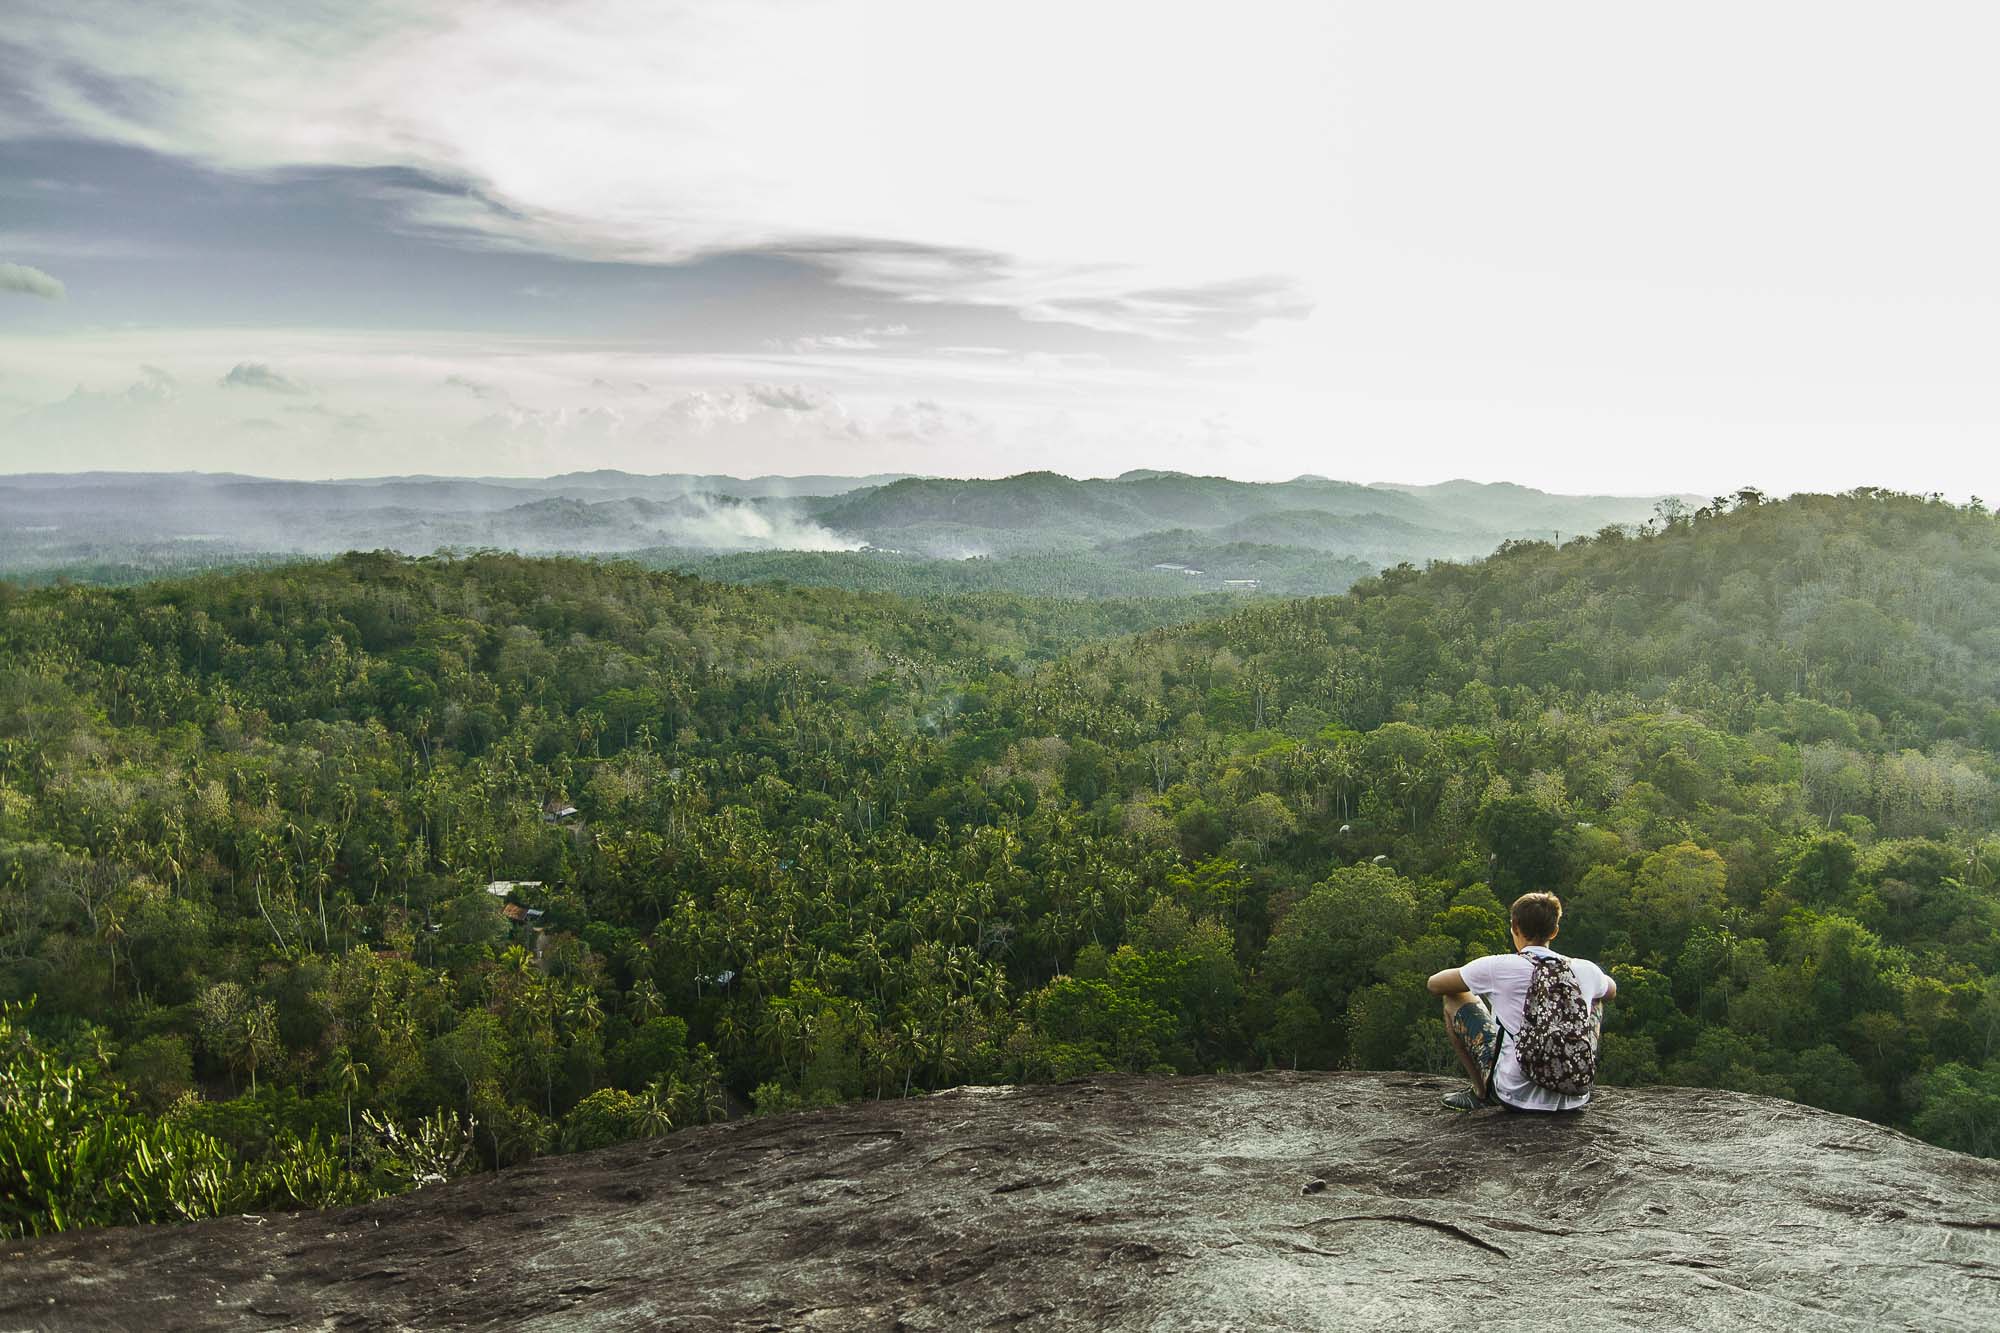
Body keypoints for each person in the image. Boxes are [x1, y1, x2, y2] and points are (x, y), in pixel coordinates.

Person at [1425, 891, 1615, 1112]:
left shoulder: (1498, 966)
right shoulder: (1585, 969)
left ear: (1514, 927)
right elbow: (1611, 990)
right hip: (1573, 1099)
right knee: (1594, 1002)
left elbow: (1435, 984)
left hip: (1513, 1095)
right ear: (1554, 931)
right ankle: (1572, 1073)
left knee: (1454, 996)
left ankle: (1481, 1093)